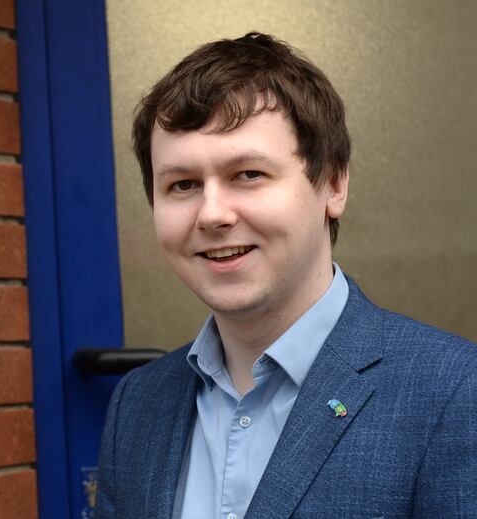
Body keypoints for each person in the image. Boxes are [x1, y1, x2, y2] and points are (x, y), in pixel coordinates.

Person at [96, 32, 477, 518]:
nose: (212, 215)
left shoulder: (453, 393)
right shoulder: (137, 405)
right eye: (183, 184)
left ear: (334, 184)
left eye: (248, 174)